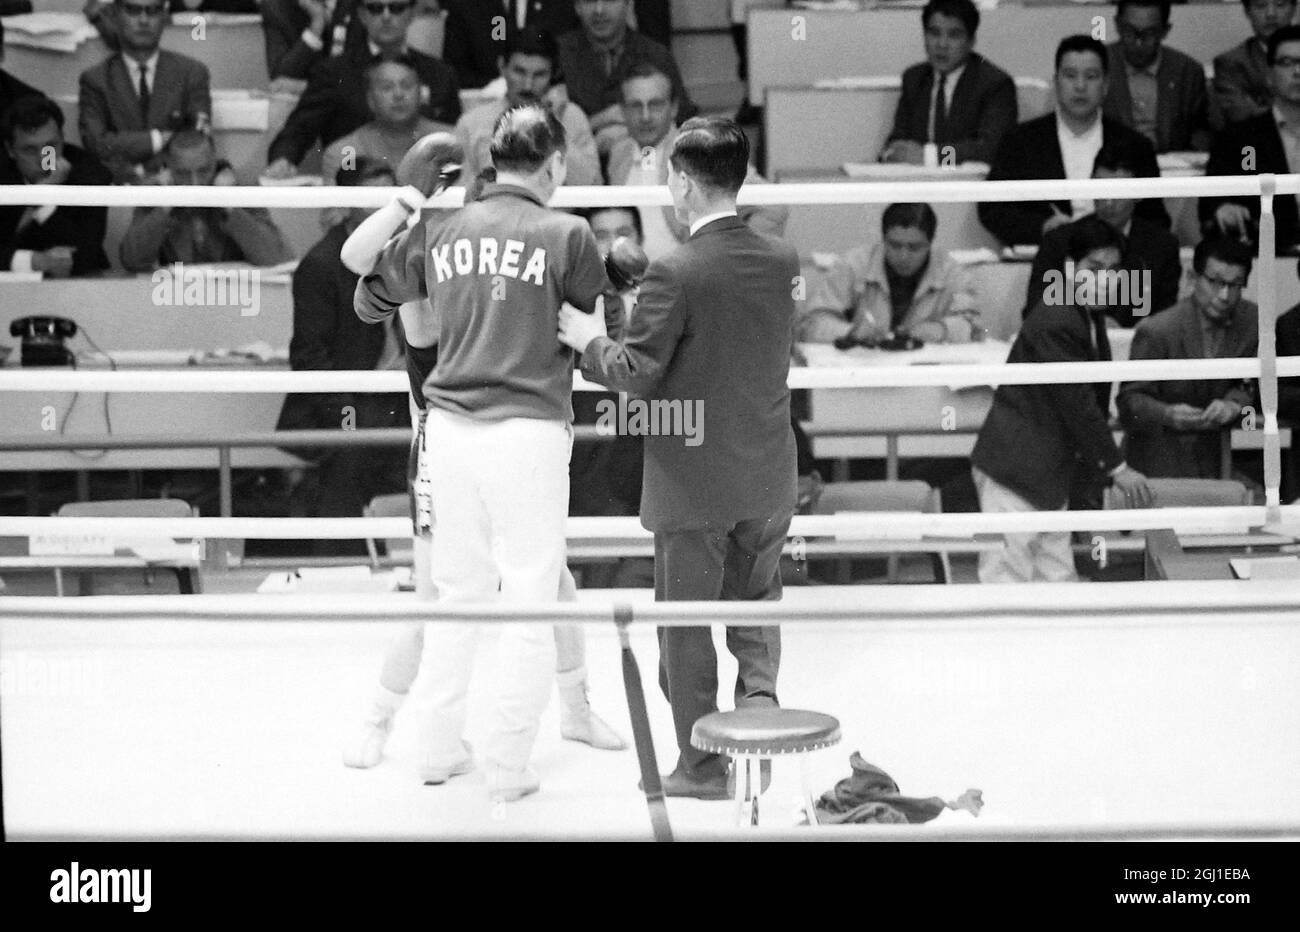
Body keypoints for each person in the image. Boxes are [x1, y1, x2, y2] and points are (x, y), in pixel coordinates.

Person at [354, 108, 612, 802]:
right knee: (530, 597)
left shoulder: (441, 229)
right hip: (528, 428)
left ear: (492, 163)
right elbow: (590, 334)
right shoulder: (570, 233)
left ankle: (436, 751)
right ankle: (506, 765)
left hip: (448, 430)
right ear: (555, 164)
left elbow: (364, 295)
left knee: (455, 597)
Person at [559, 116, 800, 800]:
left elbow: (636, 372)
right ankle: (759, 710)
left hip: (694, 481)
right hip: (765, 470)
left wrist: (585, 338)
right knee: (755, 608)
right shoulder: (782, 259)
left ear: (685, 184)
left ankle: (699, 769)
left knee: (684, 632)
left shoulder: (676, 268)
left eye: (669, 175)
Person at [971, 215, 1154, 583]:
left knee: (1056, 582)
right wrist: (1117, 467)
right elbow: (1078, 403)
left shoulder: (1083, 314)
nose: (1106, 279)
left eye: (1114, 270)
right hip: (1016, 471)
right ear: (1071, 268)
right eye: (1094, 268)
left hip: (1046, 474)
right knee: (1006, 583)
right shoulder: (1057, 317)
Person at [274, 157, 407, 557]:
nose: (384, 211)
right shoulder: (321, 265)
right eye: (371, 199)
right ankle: (340, 577)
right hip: (350, 403)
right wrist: (349, 417)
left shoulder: (410, 252)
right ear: (347, 203)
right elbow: (309, 356)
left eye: (391, 199)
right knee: (351, 456)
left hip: (404, 396)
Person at [979, 34, 1166, 248]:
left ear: (1106, 84)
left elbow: (1155, 217)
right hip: (1044, 254)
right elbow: (992, 208)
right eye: (1070, 75)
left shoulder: (1135, 145)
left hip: (1116, 260)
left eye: (1091, 76)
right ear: (1056, 82)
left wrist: (1119, 231)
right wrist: (1043, 227)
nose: (1080, 86)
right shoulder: (1020, 140)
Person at [606, 63, 786, 259]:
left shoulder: (702, 149)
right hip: (629, 280)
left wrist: (734, 260)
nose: (645, 116)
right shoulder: (618, 153)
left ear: (673, 108)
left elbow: (773, 207)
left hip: (688, 281)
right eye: (635, 106)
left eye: (656, 104)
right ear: (622, 111)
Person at [264, 0, 460, 179]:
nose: (386, 16)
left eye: (396, 8)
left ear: (412, 13)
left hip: (428, 189)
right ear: (362, 15)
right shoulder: (332, 73)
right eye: (375, 8)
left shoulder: (440, 73)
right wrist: (283, 159)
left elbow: (454, 138)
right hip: (352, 184)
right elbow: (299, 129)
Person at [1118, 237, 1259, 479]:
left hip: (1217, 460)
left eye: (1235, 285)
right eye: (1215, 282)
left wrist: (1234, 405)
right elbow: (1129, 401)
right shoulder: (1157, 330)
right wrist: (1166, 413)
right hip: (1157, 462)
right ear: (1193, 278)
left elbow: (1251, 383)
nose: (1224, 295)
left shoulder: (1252, 321)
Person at [1025, 140, 1181, 327]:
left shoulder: (1162, 247)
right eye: (1101, 188)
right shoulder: (1059, 241)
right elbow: (1035, 311)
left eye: (1118, 191)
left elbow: (1167, 320)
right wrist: (1091, 324)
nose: (1108, 202)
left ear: (1140, 192)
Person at [796, 202, 982, 345]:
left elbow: (975, 328)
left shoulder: (952, 273)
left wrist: (942, 330)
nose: (903, 256)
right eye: (894, 245)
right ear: (883, 239)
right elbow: (811, 324)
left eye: (914, 247)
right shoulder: (853, 265)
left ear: (930, 243)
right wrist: (850, 332)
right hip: (863, 368)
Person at [77, 0, 211, 182]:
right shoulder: (95, 80)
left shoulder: (192, 73)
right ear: (115, 15)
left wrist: (146, 166)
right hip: (119, 190)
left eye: (153, 10)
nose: (144, 20)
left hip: (176, 189)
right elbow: (97, 144)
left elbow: (197, 141)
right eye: (133, 10)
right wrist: (157, 139)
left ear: (164, 16)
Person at [119, 131, 291, 271]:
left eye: (203, 171)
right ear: (169, 167)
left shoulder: (243, 189)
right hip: (175, 299)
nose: (195, 183)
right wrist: (164, 207)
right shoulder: (156, 194)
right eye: (183, 173)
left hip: (235, 298)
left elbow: (274, 257)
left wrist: (230, 205)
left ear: (215, 161)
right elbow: (132, 260)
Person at [1201, 24, 1300, 254]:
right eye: (1286, 63)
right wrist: (1223, 209)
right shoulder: (1241, 139)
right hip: (1266, 257)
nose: (1297, 72)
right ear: (1268, 75)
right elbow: (1210, 204)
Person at [454, 29, 599, 186]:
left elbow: (593, 187)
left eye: (539, 75)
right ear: (502, 67)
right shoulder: (472, 123)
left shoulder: (570, 116)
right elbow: (457, 195)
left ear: (553, 74)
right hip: (494, 208)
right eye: (519, 72)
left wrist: (552, 128)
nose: (528, 85)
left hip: (555, 210)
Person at [880, 0, 1017, 165]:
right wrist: (890, 154)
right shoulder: (914, 79)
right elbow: (898, 140)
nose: (942, 44)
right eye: (934, 33)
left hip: (972, 186)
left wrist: (932, 157)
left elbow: (990, 150)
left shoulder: (994, 84)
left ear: (971, 41)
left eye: (954, 35)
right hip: (918, 183)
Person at [556, 0, 695, 157]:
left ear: (628, 5)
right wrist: (596, 122)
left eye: (610, 1)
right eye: (589, 1)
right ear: (577, 6)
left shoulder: (656, 55)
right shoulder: (558, 55)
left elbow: (683, 120)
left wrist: (630, 132)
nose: (599, 10)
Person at [0, 95, 112, 277]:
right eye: (29, 149)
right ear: (10, 150)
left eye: (50, 146)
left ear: (62, 138)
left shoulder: (91, 176)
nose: (43, 159)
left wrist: (44, 200)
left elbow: (85, 258)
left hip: (78, 288)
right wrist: (34, 261)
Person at [1102, 0, 1211, 153]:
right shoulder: (1099, 65)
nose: (1138, 42)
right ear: (1117, 25)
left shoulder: (1187, 71)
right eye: (1130, 31)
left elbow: (1201, 130)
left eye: (1148, 34)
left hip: (1173, 166)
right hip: (1112, 165)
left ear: (1165, 31)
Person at [321, 58, 452, 184]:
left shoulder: (450, 142)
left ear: (421, 93)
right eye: (387, 87)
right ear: (370, 99)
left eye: (407, 85)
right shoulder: (346, 152)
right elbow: (341, 207)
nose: (398, 94)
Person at [1211, 0, 1296, 128]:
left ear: (1294, 9)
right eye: (1261, 6)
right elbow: (1240, 117)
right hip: (1260, 145)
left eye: (1280, 5)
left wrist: (1260, 108)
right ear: (1247, 12)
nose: (1271, 14)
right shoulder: (1231, 63)